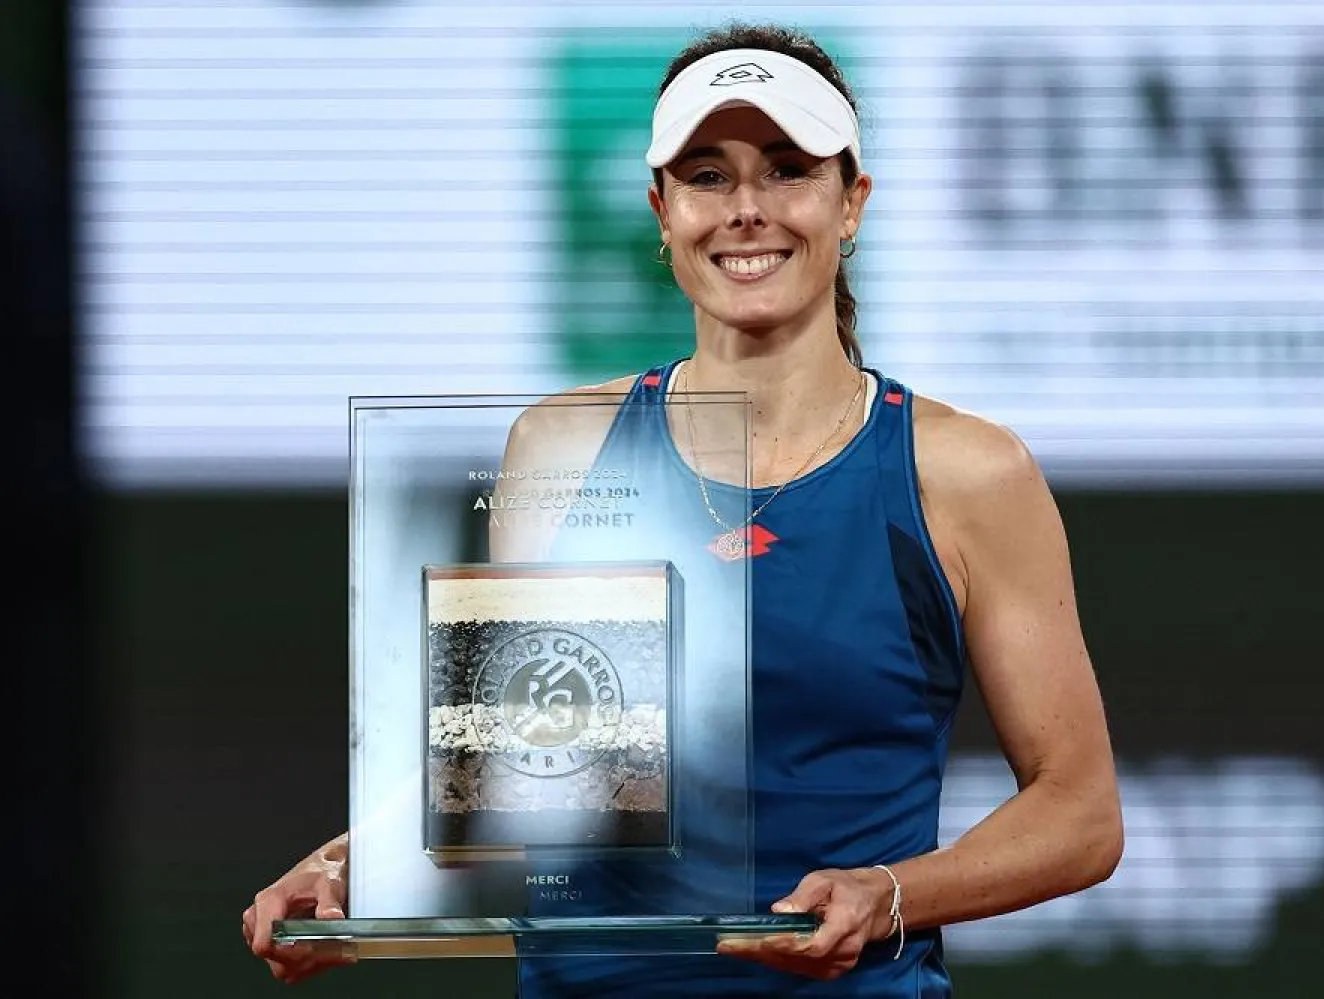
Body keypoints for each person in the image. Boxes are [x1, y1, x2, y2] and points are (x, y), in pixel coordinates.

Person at [243, 21, 1123, 995]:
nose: (747, 210)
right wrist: (340, 869)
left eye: (787, 169)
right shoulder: (561, 449)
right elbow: (519, 772)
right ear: (662, 212)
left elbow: (1080, 815)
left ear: (853, 204)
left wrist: (890, 893)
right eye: (708, 176)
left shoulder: (964, 472)